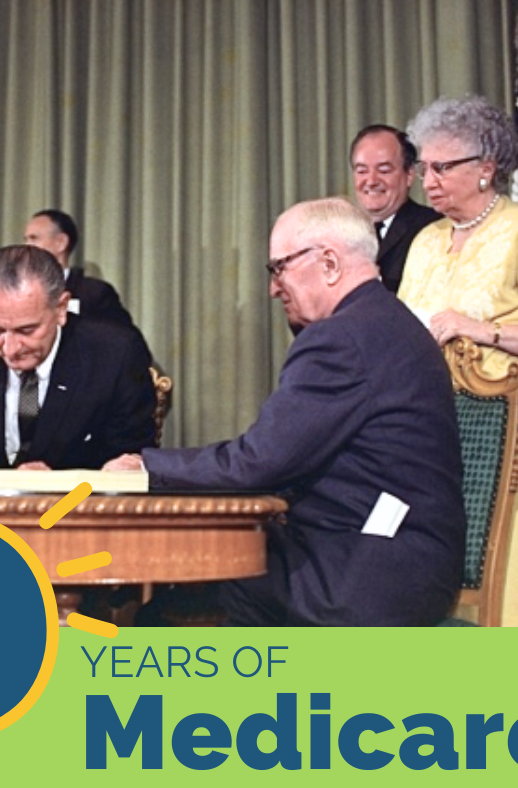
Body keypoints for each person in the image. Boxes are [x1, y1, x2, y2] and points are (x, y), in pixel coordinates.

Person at [106, 197, 466, 626]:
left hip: (364, 572)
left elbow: (259, 462)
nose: (274, 288)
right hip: (407, 564)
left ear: (329, 264)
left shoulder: (341, 339)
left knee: (194, 592)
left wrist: (146, 466)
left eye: (280, 268)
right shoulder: (389, 321)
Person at [398, 95, 518, 627]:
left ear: (486, 168)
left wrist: (484, 330)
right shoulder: (425, 241)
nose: (427, 180)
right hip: (443, 435)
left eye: (442, 167)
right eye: (423, 167)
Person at [0, 245, 156, 470]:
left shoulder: (114, 355)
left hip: (74, 511)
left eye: (26, 330)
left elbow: (131, 459)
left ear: (60, 309)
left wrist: (60, 482)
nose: (11, 348)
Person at [350, 124, 441, 293]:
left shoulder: (434, 230)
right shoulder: (343, 232)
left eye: (384, 170)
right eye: (362, 171)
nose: (371, 181)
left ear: (409, 175)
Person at [23, 209, 136, 328]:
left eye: (34, 238)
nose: (26, 246)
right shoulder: (18, 290)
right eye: (26, 239)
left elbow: (121, 339)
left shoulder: (94, 293)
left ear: (60, 242)